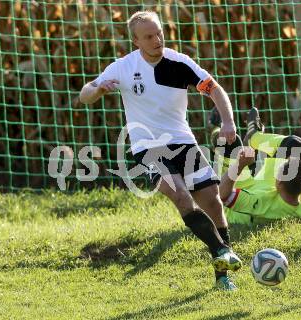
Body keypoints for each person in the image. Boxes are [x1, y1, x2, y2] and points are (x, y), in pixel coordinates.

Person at [79, 11, 242, 290]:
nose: (157, 40)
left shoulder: (179, 63)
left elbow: (215, 89)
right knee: (180, 195)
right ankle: (220, 250)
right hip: (148, 146)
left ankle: (223, 276)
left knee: (213, 202)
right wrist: (98, 90)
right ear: (136, 41)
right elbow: (84, 94)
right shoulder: (123, 67)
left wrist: (228, 121)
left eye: (159, 33)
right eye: (149, 36)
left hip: (183, 141)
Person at [209, 107, 301, 225]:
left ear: (279, 181)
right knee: (295, 144)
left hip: (240, 189)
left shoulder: (259, 204)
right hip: (266, 186)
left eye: (280, 170)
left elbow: (222, 195)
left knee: (230, 142)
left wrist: (240, 165)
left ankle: (215, 126)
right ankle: (253, 137)